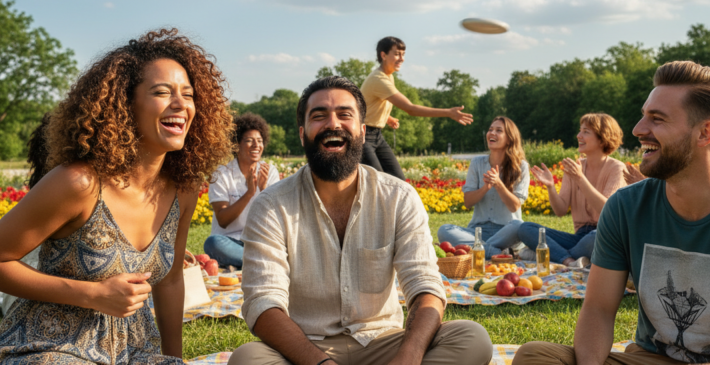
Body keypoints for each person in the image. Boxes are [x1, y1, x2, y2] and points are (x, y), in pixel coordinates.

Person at [514, 61, 710, 364]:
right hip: (650, 358)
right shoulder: (625, 207)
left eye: (656, 119)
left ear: (704, 133)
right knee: (535, 356)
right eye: (644, 115)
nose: (638, 129)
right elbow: (598, 310)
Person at [0, 29, 233, 364]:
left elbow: (170, 282)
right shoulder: (78, 183)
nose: (180, 104)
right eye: (162, 92)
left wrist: (173, 360)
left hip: (132, 352)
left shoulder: (184, 189)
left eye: (188, 94)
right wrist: (94, 294)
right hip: (50, 349)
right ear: (126, 103)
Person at [230, 76, 493, 365]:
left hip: (383, 342)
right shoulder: (271, 205)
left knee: (471, 338)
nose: (333, 124)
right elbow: (263, 302)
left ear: (362, 131)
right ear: (302, 133)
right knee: (247, 359)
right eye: (319, 116)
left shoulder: (398, 197)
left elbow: (425, 286)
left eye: (345, 114)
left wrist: (409, 356)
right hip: (306, 348)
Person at [518, 113, 626, 267]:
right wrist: (550, 186)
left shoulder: (616, 168)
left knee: (595, 238)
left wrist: (580, 178)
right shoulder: (575, 167)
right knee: (525, 228)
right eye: (580, 130)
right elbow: (560, 210)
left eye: (586, 132)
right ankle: (569, 261)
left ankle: (546, 255)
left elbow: (606, 211)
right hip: (579, 237)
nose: (578, 135)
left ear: (603, 138)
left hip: (603, 233)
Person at [359, 36, 474, 180]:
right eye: (396, 54)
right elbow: (410, 109)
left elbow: (368, 103)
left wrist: (387, 118)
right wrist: (448, 112)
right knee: (377, 183)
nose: (402, 58)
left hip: (377, 135)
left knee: (399, 180)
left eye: (403, 54)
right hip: (363, 137)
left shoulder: (388, 76)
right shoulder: (379, 79)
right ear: (383, 55)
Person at [437, 116, 529, 258]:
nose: (492, 133)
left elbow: (515, 206)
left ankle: (480, 250)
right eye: (490, 129)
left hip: (506, 232)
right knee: (444, 230)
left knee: (519, 226)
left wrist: (498, 184)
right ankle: (496, 253)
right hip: (477, 232)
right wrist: (485, 188)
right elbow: (468, 202)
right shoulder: (477, 163)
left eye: (499, 130)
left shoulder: (521, 166)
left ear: (509, 139)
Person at [203, 112, 280, 269]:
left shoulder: (269, 171)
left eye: (259, 141)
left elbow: (277, 219)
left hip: (259, 241)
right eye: (249, 141)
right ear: (236, 145)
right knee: (212, 244)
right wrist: (250, 193)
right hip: (230, 241)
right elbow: (223, 220)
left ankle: (246, 262)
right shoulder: (221, 174)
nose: (256, 145)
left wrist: (264, 191)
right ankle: (263, 264)